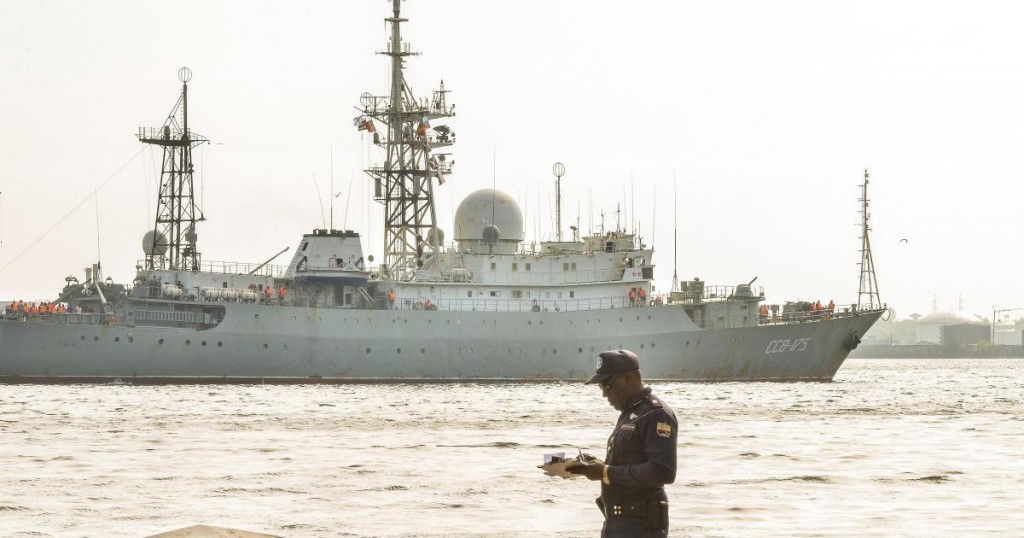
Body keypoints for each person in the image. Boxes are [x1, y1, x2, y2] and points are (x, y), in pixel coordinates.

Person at [568, 349, 677, 537]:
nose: (604, 394)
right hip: (618, 523)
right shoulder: (630, 414)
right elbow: (633, 463)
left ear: (630, 378)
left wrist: (605, 472)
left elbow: (662, 471)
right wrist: (599, 465)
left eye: (607, 386)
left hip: (640, 526)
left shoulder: (655, 414)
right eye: (601, 387)